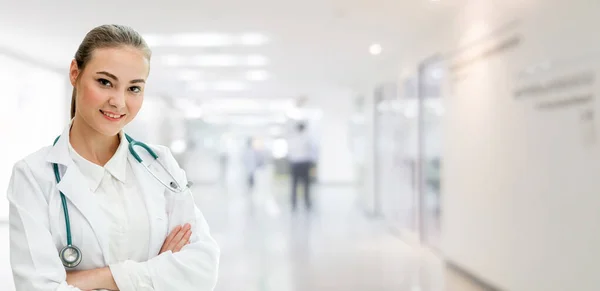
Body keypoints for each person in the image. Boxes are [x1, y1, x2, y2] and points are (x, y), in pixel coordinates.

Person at [6, 24, 219, 291]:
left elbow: (202, 270)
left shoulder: (160, 164)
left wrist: (98, 278)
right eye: (105, 82)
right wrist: (157, 272)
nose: (119, 102)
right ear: (75, 73)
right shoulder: (33, 176)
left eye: (134, 88)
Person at [286, 122, 317, 211]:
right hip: (305, 163)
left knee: (294, 184)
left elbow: (289, 152)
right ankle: (307, 202)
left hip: (295, 164)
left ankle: (294, 202)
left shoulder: (292, 139)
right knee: (306, 184)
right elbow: (312, 151)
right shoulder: (307, 138)